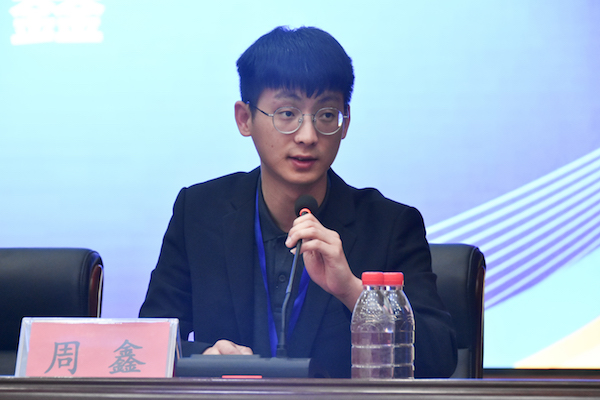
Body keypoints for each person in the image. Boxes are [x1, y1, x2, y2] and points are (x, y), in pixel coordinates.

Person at [139, 26, 457, 378]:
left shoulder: (389, 225)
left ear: (345, 123)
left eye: (326, 115)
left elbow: (439, 358)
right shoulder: (199, 212)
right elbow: (149, 343)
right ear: (245, 119)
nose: (308, 136)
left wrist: (354, 292)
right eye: (287, 113)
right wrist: (206, 357)